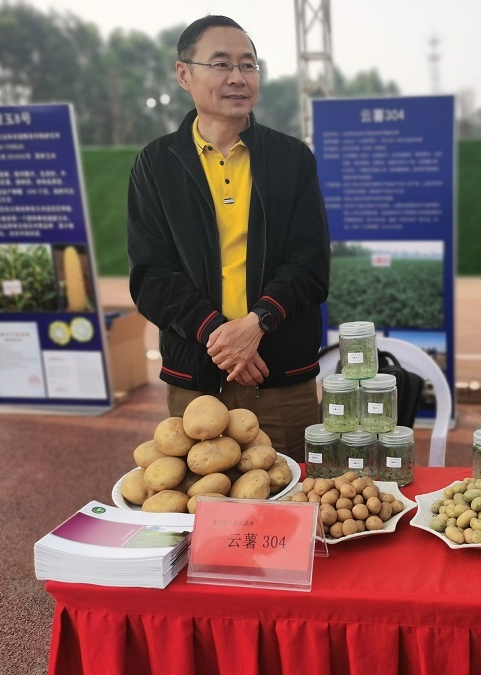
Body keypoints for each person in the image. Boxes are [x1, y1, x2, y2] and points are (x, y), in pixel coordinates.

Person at [127, 15, 330, 462]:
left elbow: (310, 264)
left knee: (294, 493)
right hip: (197, 380)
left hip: (278, 377)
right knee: (202, 495)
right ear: (184, 74)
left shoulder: (291, 158)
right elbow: (151, 276)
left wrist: (257, 323)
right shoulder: (156, 164)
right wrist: (220, 337)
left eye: (248, 65)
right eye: (221, 64)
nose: (238, 77)